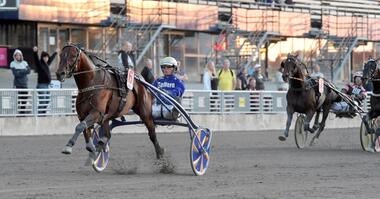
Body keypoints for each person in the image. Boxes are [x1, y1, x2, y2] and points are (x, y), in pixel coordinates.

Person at [33, 46, 57, 114]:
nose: (46, 58)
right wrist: (35, 52)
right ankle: (40, 115)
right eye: (45, 57)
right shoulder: (40, 64)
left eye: (47, 57)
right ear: (42, 58)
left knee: (47, 100)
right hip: (41, 85)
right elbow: (36, 60)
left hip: (47, 85)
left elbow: (51, 59)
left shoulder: (47, 64)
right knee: (43, 101)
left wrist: (55, 52)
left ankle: (43, 113)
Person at [10, 49, 31, 114]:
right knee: (18, 99)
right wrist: (24, 71)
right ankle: (18, 113)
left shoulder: (25, 63)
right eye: (17, 55)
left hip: (25, 84)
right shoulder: (12, 63)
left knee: (24, 99)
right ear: (14, 56)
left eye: (19, 55)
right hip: (18, 85)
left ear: (21, 55)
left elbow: (29, 71)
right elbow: (16, 74)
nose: (18, 56)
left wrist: (20, 71)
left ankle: (22, 113)